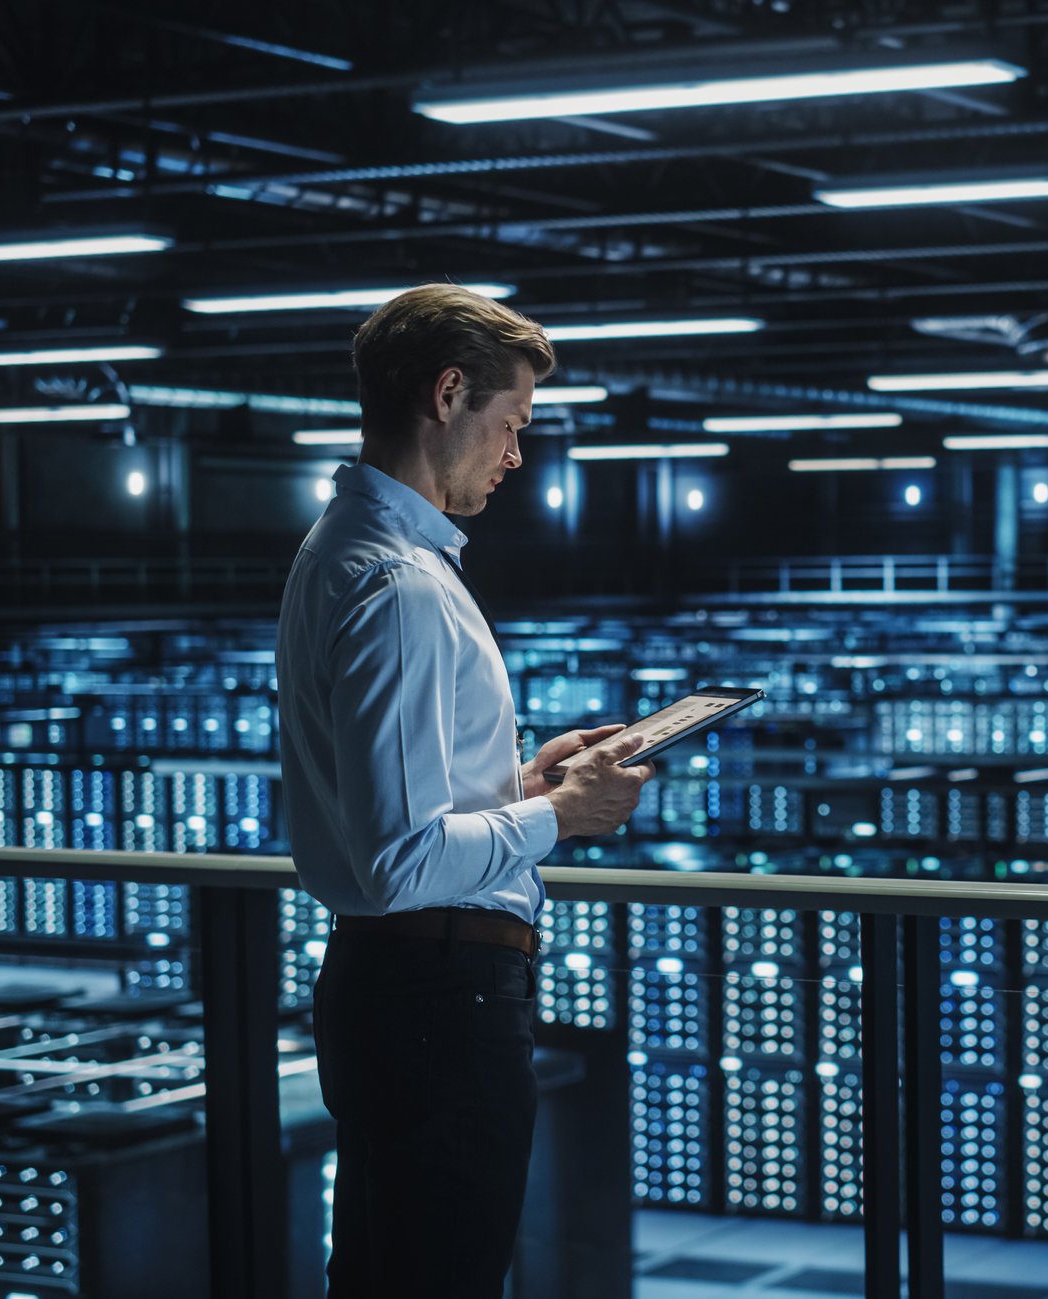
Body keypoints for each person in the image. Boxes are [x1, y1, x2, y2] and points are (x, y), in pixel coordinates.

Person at [275, 283, 652, 1298]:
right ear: (448, 394)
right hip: (440, 1000)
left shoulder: (341, 555)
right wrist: (558, 814)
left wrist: (519, 783)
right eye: (511, 423)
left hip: (397, 991)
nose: (517, 455)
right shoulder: (397, 584)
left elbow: (395, 811)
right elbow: (401, 865)